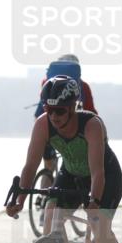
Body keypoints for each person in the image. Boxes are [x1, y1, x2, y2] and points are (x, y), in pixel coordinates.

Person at [8, 76, 122, 243]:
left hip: (105, 176)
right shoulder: (43, 124)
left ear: (73, 107)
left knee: (98, 223)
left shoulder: (92, 125)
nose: (54, 117)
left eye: (60, 111)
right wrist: (19, 199)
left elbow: (98, 172)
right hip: (71, 175)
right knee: (50, 226)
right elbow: (30, 166)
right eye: (49, 110)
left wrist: (95, 201)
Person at [33, 55, 97, 186]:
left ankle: (42, 196)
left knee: (48, 165)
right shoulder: (82, 86)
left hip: (45, 126)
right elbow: (92, 113)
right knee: (71, 161)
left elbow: (42, 109)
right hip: (70, 129)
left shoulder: (47, 82)